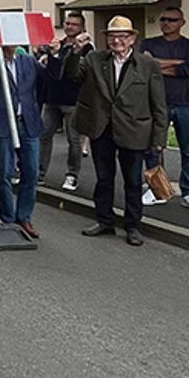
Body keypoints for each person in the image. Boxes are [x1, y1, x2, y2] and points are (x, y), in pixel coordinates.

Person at [64, 16, 167, 247]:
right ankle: (104, 221)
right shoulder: (94, 59)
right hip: (102, 129)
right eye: (112, 36)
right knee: (104, 179)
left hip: (135, 130)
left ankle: (133, 226)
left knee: (132, 181)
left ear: (132, 39)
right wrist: (75, 51)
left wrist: (159, 139)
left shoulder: (148, 65)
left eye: (122, 36)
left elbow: (159, 104)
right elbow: (71, 75)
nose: (116, 41)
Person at [140, 6, 189, 212]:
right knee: (153, 148)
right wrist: (175, 65)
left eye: (172, 19)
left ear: (182, 23)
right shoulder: (148, 43)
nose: (167, 23)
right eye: (163, 19)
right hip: (156, 103)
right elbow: (143, 67)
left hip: (187, 103)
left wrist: (157, 64)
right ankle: (156, 189)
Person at [0, 46, 45, 238]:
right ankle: (7, 218)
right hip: (2, 123)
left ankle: (24, 217)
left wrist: (56, 56)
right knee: (5, 172)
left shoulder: (28, 61)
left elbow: (50, 79)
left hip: (27, 122)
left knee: (31, 172)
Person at [38, 11, 91, 191]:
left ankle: (72, 175)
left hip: (72, 100)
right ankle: (39, 173)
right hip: (51, 98)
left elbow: (79, 72)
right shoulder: (56, 45)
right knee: (44, 136)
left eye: (74, 24)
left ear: (82, 27)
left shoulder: (87, 48)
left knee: (74, 140)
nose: (69, 27)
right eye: (67, 23)